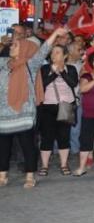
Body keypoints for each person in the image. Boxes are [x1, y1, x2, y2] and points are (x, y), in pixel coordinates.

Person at [0, 27, 66, 188]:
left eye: (15, 45)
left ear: (23, 48)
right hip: (3, 115)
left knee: (28, 147)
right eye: (11, 45)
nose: (11, 47)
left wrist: (55, 34)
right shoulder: (2, 63)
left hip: (24, 115)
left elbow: (43, 51)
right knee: (3, 148)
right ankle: (2, 175)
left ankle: (30, 176)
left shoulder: (30, 65)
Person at [36, 44, 79, 176]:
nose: (54, 55)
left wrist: (62, 71)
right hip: (48, 107)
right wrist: (54, 73)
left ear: (65, 56)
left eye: (58, 52)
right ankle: (44, 165)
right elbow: (42, 84)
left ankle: (64, 164)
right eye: (53, 53)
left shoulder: (71, 68)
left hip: (66, 105)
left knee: (63, 136)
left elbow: (73, 83)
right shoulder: (44, 68)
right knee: (47, 137)